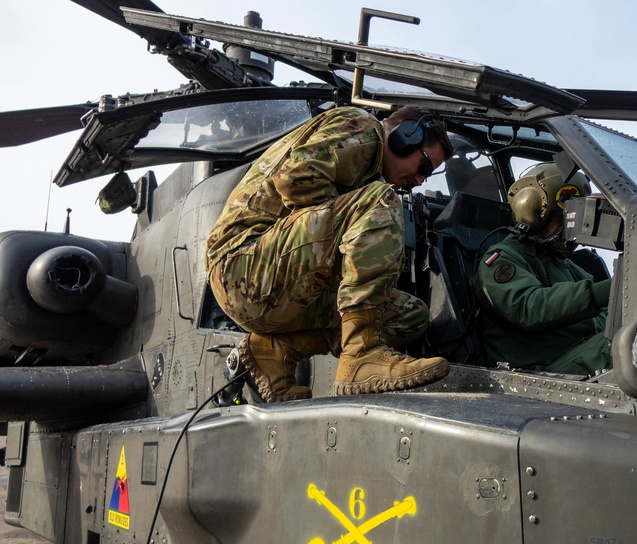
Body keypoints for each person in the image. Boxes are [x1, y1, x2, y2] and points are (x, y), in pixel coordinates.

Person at [205, 105, 454, 401]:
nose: (419, 180)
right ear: (404, 136)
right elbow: (294, 179)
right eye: (424, 166)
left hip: (274, 283)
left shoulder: (368, 169)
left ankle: (273, 352)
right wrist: (351, 229)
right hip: (242, 267)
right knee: (377, 202)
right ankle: (362, 354)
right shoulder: (363, 129)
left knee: (409, 315)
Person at [472, 162, 613, 376]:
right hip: (536, 373)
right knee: (626, 344)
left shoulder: (564, 263)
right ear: (533, 214)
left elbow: (602, 316)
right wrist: (612, 289)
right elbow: (531, 308)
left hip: (571, 358)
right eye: (563, 219)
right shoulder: (501, 260)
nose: (570, 229)